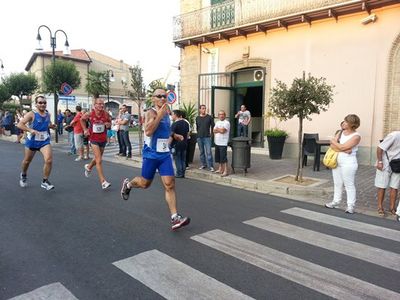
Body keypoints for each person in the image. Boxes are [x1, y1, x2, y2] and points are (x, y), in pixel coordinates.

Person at [120, 88, 190, 230]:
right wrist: (160, 114)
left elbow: (165, 128)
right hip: (151, 154)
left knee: (169, 184)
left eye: (164, 96)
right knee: (145, 184)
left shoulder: (166, 113)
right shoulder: (150, 112)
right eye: (159, 96)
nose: (163, 98)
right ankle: (128, 185)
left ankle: (175, 217)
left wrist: (174, 135)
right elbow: (149, 130)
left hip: (164, 154)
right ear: (153, 98)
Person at [16, 95, 56, 190]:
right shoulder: (31, 114)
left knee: (49, 160)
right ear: (36, 104)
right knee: (27, 161)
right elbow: (19, 125)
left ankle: (45, 181)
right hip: (33, 141)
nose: (43, 104)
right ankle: (23, 175)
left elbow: (47, 124)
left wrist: (52, 126)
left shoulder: (47, 114)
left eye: (44, 103)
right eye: (40, 103)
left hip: (44, 141)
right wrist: (30, 130)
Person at [325, 114, 361, 214]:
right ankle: (336, 202)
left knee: (349, 184)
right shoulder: (341, 132)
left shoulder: (356, 136)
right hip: (337, 161)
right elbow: (333, 146)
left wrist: (336, 143)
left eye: (346, 122)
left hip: (349, 163)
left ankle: (350, 206)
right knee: (337, 183)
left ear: (352, 124)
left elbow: (338, 145)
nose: (343, 123)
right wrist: (344, 149)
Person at [81, 98, 112, 190]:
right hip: (93, 139)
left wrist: (108, 124)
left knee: (98, 158)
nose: (101, 106)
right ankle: (103, 182)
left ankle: (89, 167)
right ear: (95, 105)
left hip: (103, 139)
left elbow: (110, 123)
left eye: (102, 104)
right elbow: (82, 120)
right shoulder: (90, 114)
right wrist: (85, 130)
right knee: (99, 160)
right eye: (99, 104)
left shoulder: (106, 114)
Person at [374, 131, 400, 217]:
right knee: (382, 186)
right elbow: (379, 148)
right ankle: (380, 207)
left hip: (398, 164)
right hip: (386, 163)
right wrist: (380, 162)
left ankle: (392, 208)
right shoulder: (394, 135)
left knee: (395, 187)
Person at [171, 109, 190, 178]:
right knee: (183, 159)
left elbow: (171, 134)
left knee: (177, 159)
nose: (171, 116)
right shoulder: (186, 123)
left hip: (176, 144)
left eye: (172, 114)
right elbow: (188, 134)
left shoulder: (174, 124)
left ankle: (179, 173)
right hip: (184, 143)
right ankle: (183, 173)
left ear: (175, 115)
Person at [195, 104, 214, 172]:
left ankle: (211, 166)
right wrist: (198, 134)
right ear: (200, 109)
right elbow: (197, 127)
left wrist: (212, 134)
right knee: (201, 152)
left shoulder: (209, 117)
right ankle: (203, 164)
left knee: (209, 152)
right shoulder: (197, 118)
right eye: (202, 108)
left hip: (207, 137)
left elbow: (213, 126)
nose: (204, 110)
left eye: (205, 108)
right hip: (199, 137)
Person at [213, 110, 230, 177]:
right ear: (218, 116)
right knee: (219, 157)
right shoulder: (217, 122)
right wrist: (219, 130)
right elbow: (214, 130)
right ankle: (220, 169)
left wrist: (218, 129)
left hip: (223, 143)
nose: (221, 115)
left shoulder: (227, 123)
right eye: (220, 114)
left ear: (225, 115)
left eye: (223, 114)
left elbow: (223, 131)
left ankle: (226, 171)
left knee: (223, 157)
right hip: (217, 142)